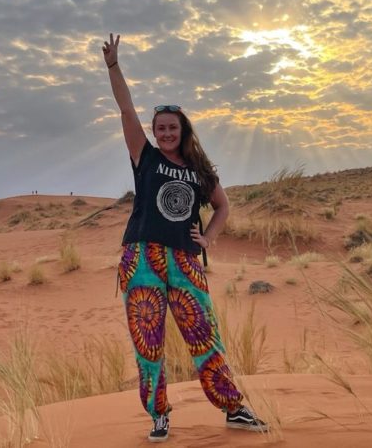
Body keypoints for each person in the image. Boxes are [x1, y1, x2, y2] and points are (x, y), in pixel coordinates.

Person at [102, 33, 268, 443]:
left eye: (171, 127)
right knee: (149, 342)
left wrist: (207, 238)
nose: (165, 133)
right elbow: (126, 109)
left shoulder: (199, 170)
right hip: (142, 258)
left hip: (186, 260)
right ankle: (158, 415)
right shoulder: (146, 156)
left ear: (183, 129)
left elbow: (224, 207)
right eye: (160, 127)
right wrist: (113, 66)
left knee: (204, 335)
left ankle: (233, 408)